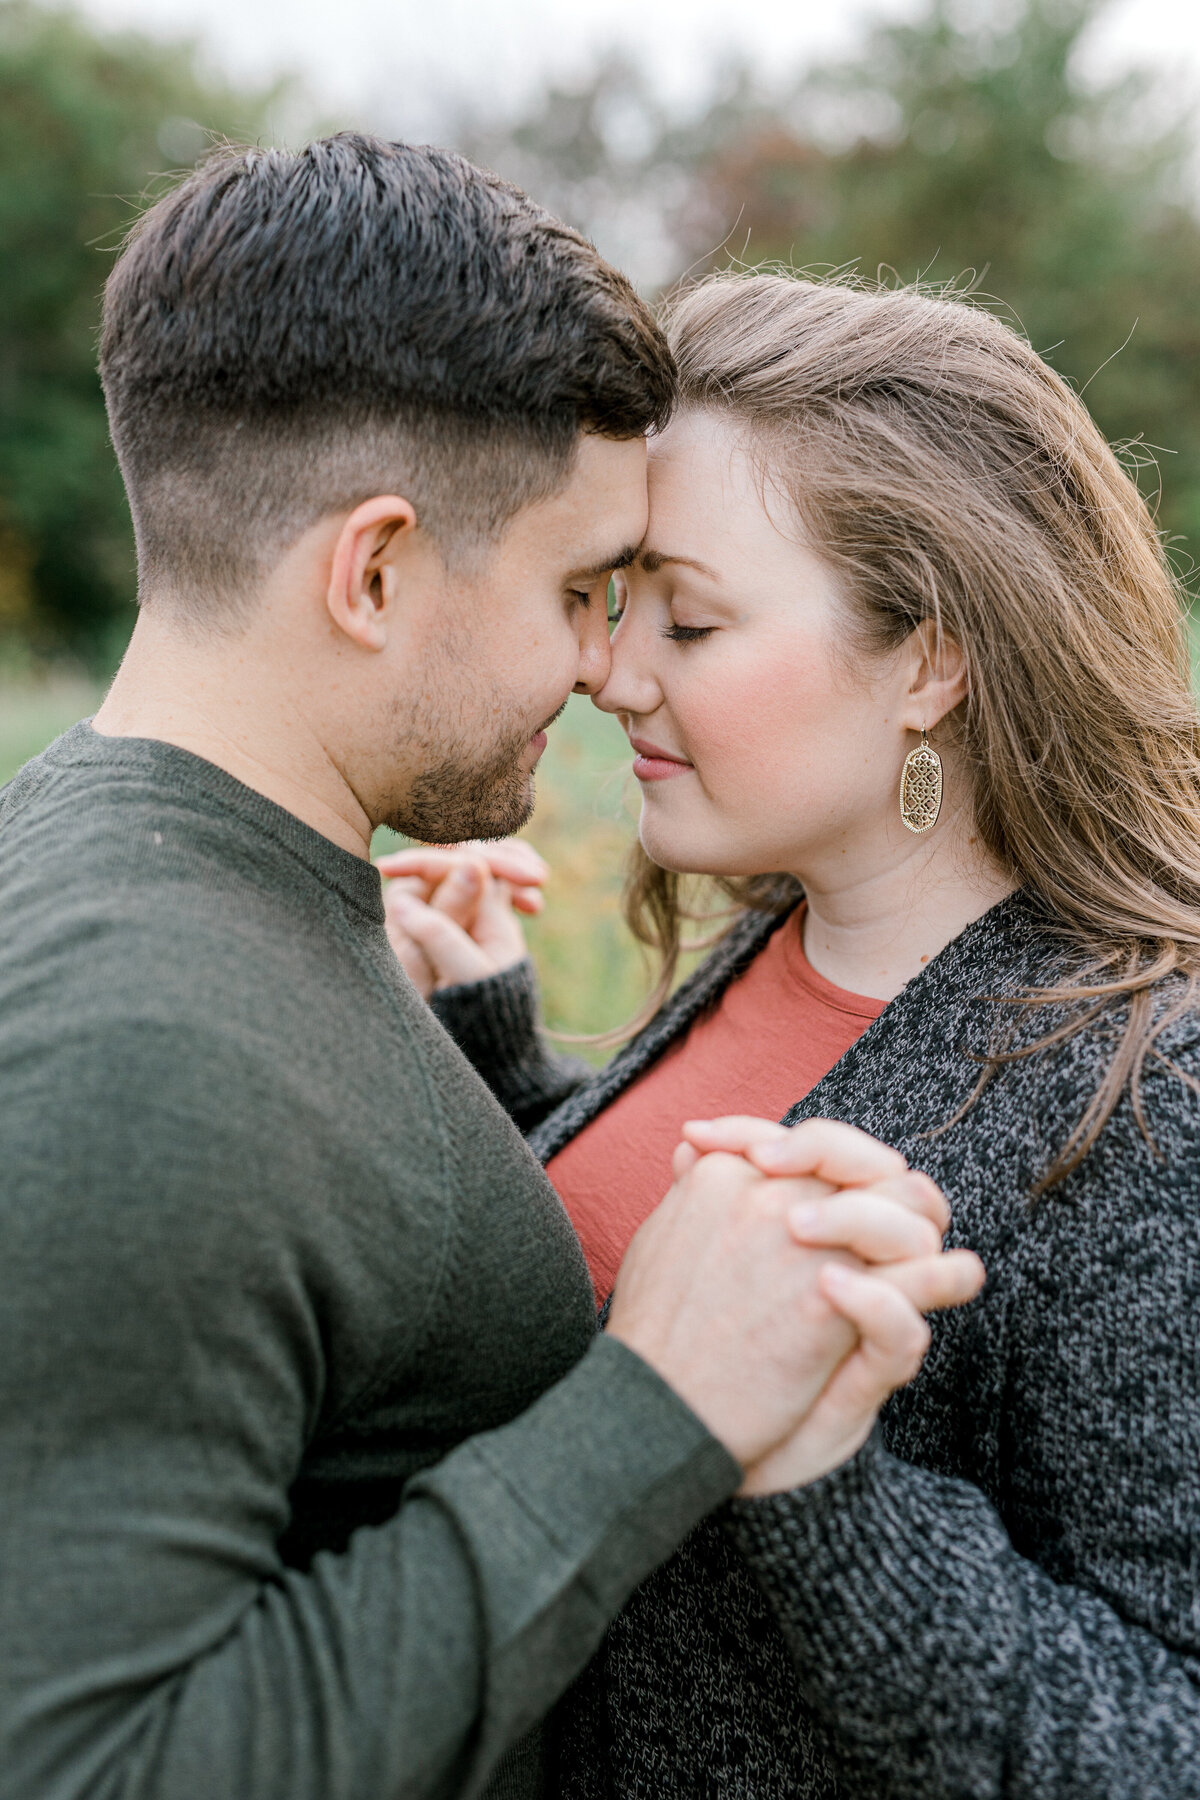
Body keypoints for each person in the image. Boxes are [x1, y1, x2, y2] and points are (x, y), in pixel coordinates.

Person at [0, 146, 983, 1800]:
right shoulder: (151, 1047)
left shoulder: (200, 886)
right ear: (373, 572)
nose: (604, 666)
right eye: (580, 590)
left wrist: (464, 1045)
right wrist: (656, 1403)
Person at [384, 271, 1200, 1797]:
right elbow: (690, 1232)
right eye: (624, 605)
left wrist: (821, 1474)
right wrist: (508, 1061)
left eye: (689, 618)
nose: (612, 674)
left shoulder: (1152, 1103)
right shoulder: (794, 925)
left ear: (931, 661)